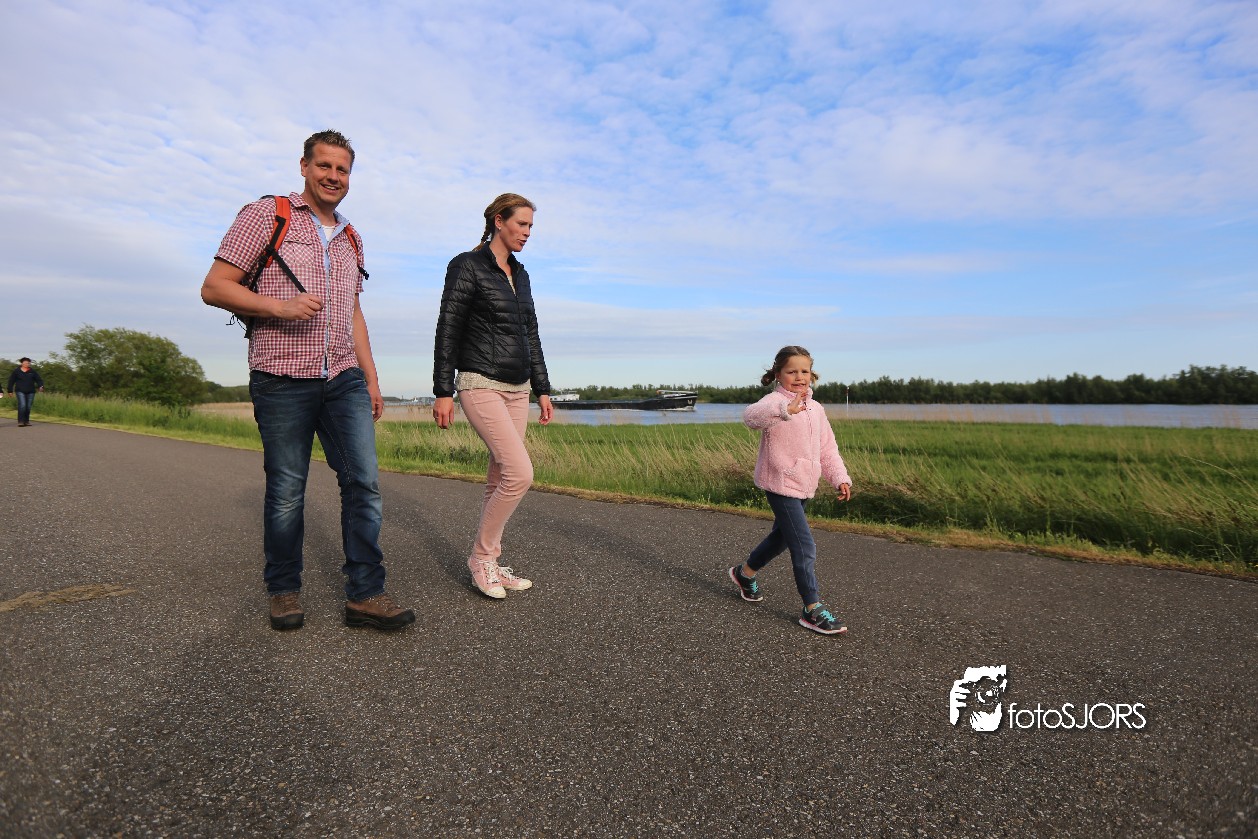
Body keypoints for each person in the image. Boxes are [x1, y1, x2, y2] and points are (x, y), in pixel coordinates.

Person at [200, 129, 414, 632]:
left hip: (343, 378)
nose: (333, 176)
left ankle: (366, 594)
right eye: (324, 166)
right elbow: (214, 287)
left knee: (363, 483)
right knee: (286, 490)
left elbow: (353, 312)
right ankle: (283, 590)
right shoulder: (267, 216)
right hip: (281, 376)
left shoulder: (351, 237)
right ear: (304, 166)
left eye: (342, 170)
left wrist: (371, 378)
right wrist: (280, 307)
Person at [432, 193, 554, 599]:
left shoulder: (521, 274)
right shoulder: (467, 265)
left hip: (518, 388)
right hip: (479, 381)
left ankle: (491, 561)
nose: (527, 232)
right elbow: (448, 326)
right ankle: (481, 559)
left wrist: (542, 388)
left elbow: (531, 334)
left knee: (500, 478)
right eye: (522, 224)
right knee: (520, 474)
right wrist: (443, 390)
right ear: (499, 221)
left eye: (531, 226)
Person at [728, 346, 853, 635]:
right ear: (778, 374)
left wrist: (839, 478)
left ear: (812, 374)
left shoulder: (816, 409)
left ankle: (744, 574)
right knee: (804, 545)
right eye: (791, 371)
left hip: (805, 483)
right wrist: (784, 410)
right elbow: (751, 417)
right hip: (780, 482)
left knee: (782, 538)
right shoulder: (774, 401)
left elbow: (827, 449)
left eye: (804, 371)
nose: (799, 377)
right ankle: (812, 608)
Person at [6, 358, 45, 427]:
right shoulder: (16, 371)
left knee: (28, 407)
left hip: (31, 391)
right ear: (22, 363)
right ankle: (21, 421)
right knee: (22, 405)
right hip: (20, 391)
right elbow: (11, 381)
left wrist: (41, 386)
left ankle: (26, 421)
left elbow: (39, 380)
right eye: (26, 363)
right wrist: (10, 391)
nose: (28, 364)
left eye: (29, 363)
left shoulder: (32, 371)